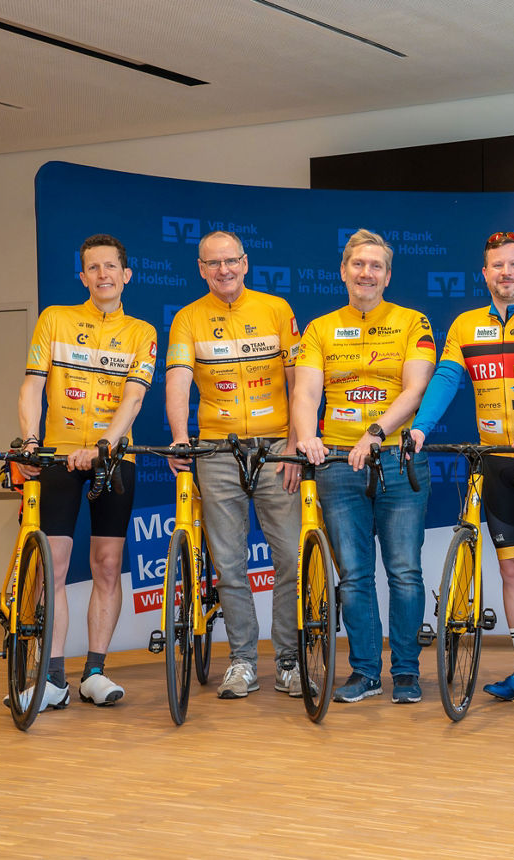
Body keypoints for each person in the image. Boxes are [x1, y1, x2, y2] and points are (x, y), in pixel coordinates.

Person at [411, 231, 514, 711]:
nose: (505, 273)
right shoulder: (466, 325)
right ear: (484, 274)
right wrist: (422, 428)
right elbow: (446, 377)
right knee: (511, 569)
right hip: (496, 460)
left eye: (513, 265)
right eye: (496, 266)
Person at [11, 233, 156, 711]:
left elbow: (133, 399)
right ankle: (52, 677)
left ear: (126, 274)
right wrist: (31, 441)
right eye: (93, 268)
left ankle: (94, 671)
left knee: (107, 567)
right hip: (56, 456)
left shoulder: (141, 331)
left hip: (114, 459)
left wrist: (104, 447)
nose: (103, 275)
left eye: (111, 267)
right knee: (51, 567)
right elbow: (33, 387)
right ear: (83, 277)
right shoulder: (55, 319)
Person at [292, 229, 436, 705]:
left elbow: (414, 390)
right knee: (352, 575)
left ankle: (408, 673)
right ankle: (366, 673)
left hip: (396, 458)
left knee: (404, 571)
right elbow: (307, 391)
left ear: (387, 276)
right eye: (358, 265)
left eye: (376, 266)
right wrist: (307, 436)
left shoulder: (414, 321)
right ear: (344, 272)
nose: (366, 273)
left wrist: (374, 433)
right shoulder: (320, 328)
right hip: (337, 462)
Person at [166, 230, 303, 700]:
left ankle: (287, 661)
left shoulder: (276, 308)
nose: (223, 270)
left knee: (289, 556)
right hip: (216, 449)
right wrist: (181, 436)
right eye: (213, 263)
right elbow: (180, 379)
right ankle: (242, 660)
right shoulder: (187, 318)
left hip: (275, 447)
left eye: (231, 261)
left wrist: (294, 440)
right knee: (228, 563)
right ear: (201, 269)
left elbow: (296, 378)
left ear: (246, 263)